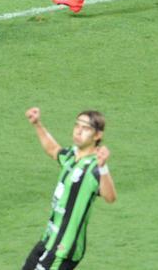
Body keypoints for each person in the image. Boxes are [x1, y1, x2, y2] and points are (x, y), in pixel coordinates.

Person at [23, 107, 116, 270]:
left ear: (97, 135)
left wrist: (103, 168)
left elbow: (110, 197)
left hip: (64, 249)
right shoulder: (72, 156)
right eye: (77, 125)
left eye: (85, 128)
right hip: (48, 240)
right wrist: (37, 124)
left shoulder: (94, 167)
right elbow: (53, 150)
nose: (78, 131)